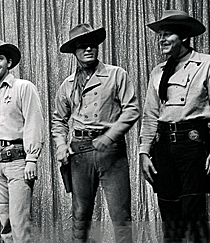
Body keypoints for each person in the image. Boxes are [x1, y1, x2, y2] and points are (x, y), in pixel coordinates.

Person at [52, 24, 139, 242]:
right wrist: (61, 145)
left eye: (92, 44)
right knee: (80, 216)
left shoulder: (116, 75)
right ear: (75, 51)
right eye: (82, 46)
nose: (88, 49)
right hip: (80, 152)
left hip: (111, 151)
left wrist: (110, 136)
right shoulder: (67, 85)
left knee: (121, 216)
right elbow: (59, 120)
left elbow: (132, 109)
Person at [140, 10, 210, 242]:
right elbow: (150, 115)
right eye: (160, 34)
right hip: (163, 147)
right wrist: (143, 152)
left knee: (193, 212)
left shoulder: (206, 64)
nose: (161, 39)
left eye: (167, 34)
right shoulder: (158, 72)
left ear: (184, 37)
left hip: (192, 144)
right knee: (169, 213)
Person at [0, 39, 45, 242]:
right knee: (5, 223)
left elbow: (34, 121)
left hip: (17, 160)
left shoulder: (23, 88)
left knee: (19, 221)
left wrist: (32, 158)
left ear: (9, 62)